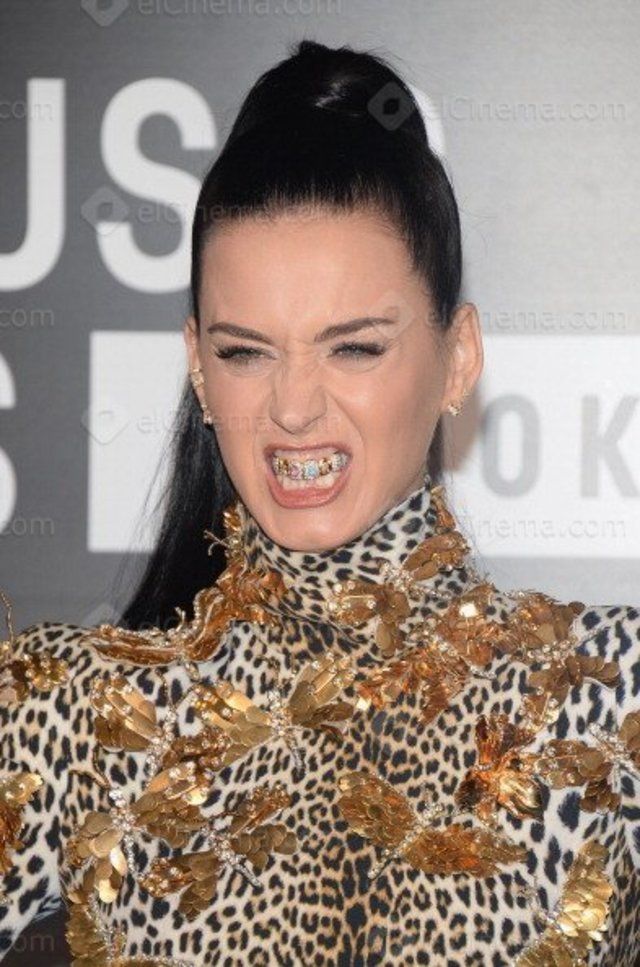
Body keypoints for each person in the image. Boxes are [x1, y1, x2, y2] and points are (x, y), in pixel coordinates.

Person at [1, 38, 638, 967]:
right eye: (244, 351)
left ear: (458, 356)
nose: (293, 408)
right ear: (198, 367)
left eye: (354, 347)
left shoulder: (600, 702)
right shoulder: (74, 716)